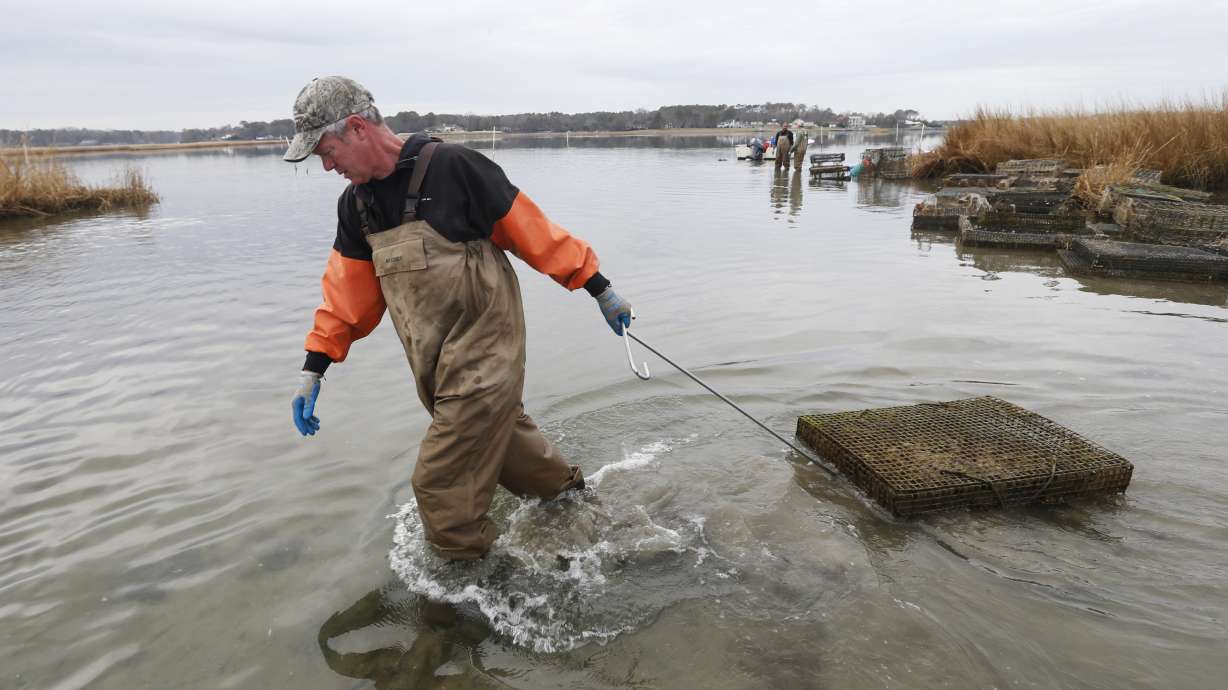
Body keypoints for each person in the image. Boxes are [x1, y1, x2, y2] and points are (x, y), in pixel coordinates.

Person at [283, 76, 634, 561]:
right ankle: (573, 503)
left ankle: (464, 604)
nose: (326, 166)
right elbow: (347, 298)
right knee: (507, 447)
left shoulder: (453, 168)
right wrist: (314, 367)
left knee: (441, 484)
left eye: (326, 150)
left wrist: (599, 287)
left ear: (358, 128)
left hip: (488, 353)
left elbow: (532, 233)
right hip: (437, 366)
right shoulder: (357, 206)